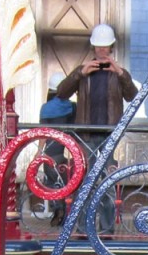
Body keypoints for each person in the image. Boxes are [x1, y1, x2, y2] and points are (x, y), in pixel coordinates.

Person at [55, 24, 137, 235]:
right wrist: (79, 74)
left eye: (105, 47)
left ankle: (107, 229)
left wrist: (120, 73)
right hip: (87, 134)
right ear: (93, 48)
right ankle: (83, 228)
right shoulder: (83, 72)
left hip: (110, 135)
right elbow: (61, 93)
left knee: (108, 181)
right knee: (85, 181)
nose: (101, 51)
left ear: (111, 48)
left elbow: (133, 96)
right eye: (98, 47)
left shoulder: (119, 74)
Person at [39, 71, 76, 226]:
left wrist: (39, 153)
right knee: (69, 183)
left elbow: (43, 134)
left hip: (52, 151)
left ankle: (58, 211)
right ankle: (70, 213)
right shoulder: (73, 107)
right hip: (70, 150)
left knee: (53, 183)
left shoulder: (46, 108)